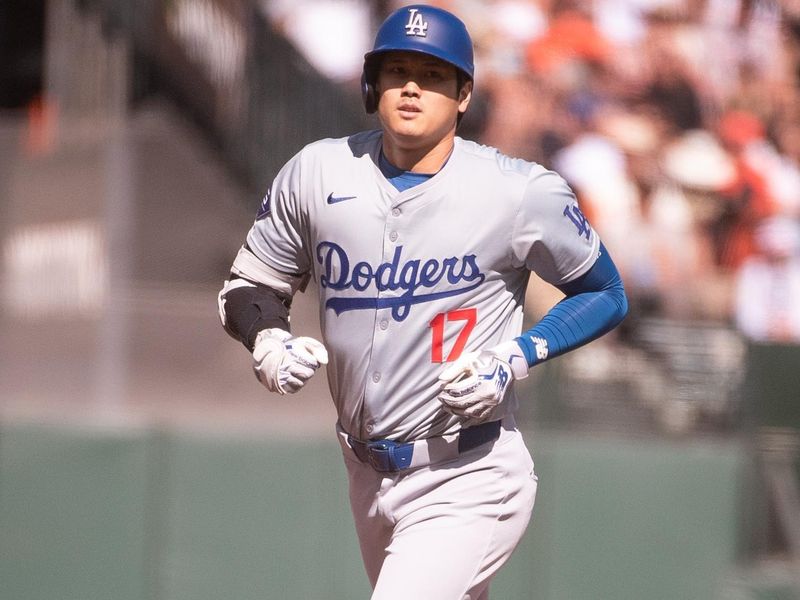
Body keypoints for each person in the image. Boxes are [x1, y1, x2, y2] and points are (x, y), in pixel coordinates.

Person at [218, 5, 628, 599]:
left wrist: (515, 356)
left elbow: (605, 293)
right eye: (397, 70)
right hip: (364, 468)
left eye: (434, 75)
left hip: (469, 472)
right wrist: (267, 337)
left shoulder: (518, 192)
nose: (412, 86)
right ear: (372, 84)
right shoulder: (317, 171)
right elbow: (250, 283)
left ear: (464, 94)